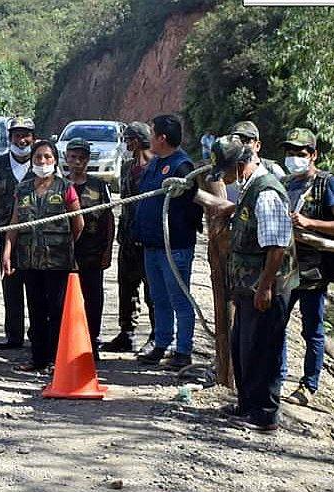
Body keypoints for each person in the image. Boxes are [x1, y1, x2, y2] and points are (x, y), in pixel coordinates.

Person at [197, 134, 297, 432]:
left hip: (265, 287)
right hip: (248, 285)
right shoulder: (249, 188)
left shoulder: (266, 193)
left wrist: (265, 287)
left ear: (240, 165)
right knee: (244, 347)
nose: (223, 179)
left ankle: (264, 414)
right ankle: (246, 405)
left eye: (226, 172)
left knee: (262, 350)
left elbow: (277, 247)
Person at [278, 128, 334, 406]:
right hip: (284, 268)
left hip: (314, 272)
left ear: (313, 155)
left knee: (312, 330)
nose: (294, 158)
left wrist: (310, 223)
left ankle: (309, 385)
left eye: (300, 153)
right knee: (277, 324)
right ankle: (277, 377)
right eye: (290, 153)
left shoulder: (327, 184)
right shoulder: (285, 183)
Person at [1, 140, 82, 372]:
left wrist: (63, 245)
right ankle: (38, 359)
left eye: (47, 157)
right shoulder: (23, 189)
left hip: (58, 262)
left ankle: (57, 361)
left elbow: (78, 223)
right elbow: (14, 223)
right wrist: (7, 252)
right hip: (29, 261)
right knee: (36, 310)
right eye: (38, 157)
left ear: (55, 160)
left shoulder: (65, 187)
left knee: (57, 311)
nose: (42, 161)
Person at [133, 114, 201, 369]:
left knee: (179, 299)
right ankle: (162, 343)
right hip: (152, 245)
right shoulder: (155, 163)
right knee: (158, 298)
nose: (149, 138)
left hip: (175, 247)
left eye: (152, 133)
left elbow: (193, 205)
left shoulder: (182, 167)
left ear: (162, 138)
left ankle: (183, 351)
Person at [101, 122, 156, 353]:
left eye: (128, 139)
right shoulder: (126, 167)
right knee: (126, 286)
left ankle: (156, 335)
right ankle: (127, 333)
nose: (125, 144)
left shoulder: (156, 167)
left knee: (152, 290)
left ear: (138, 140)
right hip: (127, 237)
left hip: (149, 239)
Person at [0, 116, 36, 350]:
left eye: (26, 135)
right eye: (17, 135)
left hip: (35, 237)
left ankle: (37, 334)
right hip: (6, 234)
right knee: (11, 286)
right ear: (10, 138)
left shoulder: (42, 161)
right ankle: (13, 335)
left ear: (33, 138)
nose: (21, 140)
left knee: (36, 287)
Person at [66, 138, 115, 359]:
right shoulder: (59, 184)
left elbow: (108, 219)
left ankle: (91, 342)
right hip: (64, 255)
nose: (77, 162)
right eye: (73, 157)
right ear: (66, 158)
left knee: (93, 300)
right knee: (64, 300)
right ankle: (65, 342)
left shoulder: (98, 185)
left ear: (88, 160)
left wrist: (108, 250)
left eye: (82, 158)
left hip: (92, 255)